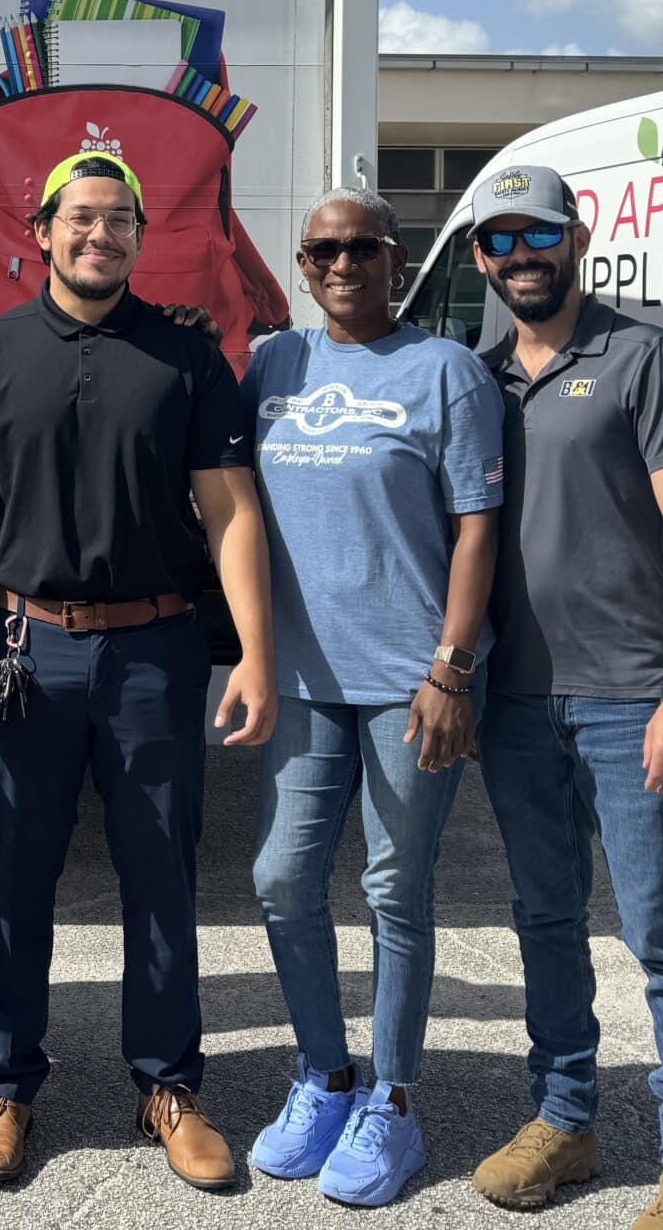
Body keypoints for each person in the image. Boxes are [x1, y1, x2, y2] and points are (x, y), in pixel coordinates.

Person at [0, 151, 276, 1193]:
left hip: (154, 650)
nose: (99, 235)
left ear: (139, 237)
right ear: (41, 232)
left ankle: (168, 1085)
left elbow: (230, 509)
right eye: (80, 217)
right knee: (15, 878)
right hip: (23, 649)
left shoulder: (185, 359)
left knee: (160, 875)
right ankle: (5, 1084)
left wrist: (255, 651)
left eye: (120, 219)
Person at [462, 164, 663, 1230]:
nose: (519, 255)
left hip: (632, 698)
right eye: (498, 240)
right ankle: (565, 1120)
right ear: (480, 258)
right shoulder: (479, 377)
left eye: (537, 233)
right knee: (543, 918)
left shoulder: (643, 358)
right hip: (518, 700)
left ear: (575, 239)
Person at [241, 188, 502, 1207]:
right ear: (302, 265)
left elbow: (477, 527)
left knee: (395, 888)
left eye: (361, 248)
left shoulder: (445, 371)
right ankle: (325, 1075)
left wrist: (451, 669)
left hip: (410, 682)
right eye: (321, 250)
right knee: (281, 878)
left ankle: (392, 1099)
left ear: (396, 259)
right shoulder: (274, 363)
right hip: (304, 677)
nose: (341, 264)